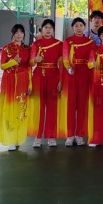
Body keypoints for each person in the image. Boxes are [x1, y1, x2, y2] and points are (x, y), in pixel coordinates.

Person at [0, 25, 37, 151]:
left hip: (23, 80)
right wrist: (13, 61)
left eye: (21, 32)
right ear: (12, 34)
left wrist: (30, 83)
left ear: (24, 34)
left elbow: (29, 67)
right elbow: (2, 66)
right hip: (9, 81)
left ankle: (18, 137)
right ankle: (11, 139)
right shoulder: (6, 48)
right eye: (16, 32)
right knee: (10, 109)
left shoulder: (28, 48)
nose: (19, 35)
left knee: (21, 109)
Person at [61, 17, 96, 146]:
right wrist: (68, 67)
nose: (78, 28)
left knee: (82, 105)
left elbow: (92, 58)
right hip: (71, 75)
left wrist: (92, 64)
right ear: (72, 28)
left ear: (84, 27)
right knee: (70, 106)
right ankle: (70, 135)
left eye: (81, 25)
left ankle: (79, 134)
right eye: (76, 26)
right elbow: (65, 58)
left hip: (85, 75)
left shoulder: (90, 42)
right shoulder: (67, 41)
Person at [30, 19, 63, 148]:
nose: (48, 30)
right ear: (41, 30)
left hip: (53, 76)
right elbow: (30, 62)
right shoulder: (36, 44)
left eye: (50, 28)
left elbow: (61, 65)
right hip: (38, 76)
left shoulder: (59, 44)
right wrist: (35, 60)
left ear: (53, 30)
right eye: (46, 28)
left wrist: (60, 80)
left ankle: (51, 136)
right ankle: (37, 137)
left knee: (52, 107)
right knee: (38, 107)